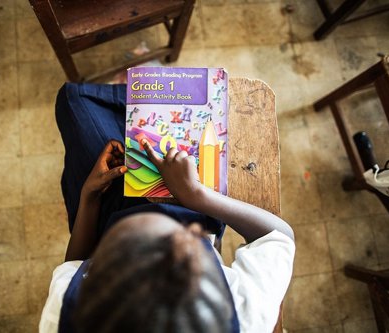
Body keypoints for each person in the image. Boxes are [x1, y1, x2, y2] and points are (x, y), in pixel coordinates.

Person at [39, 83, 296, 333]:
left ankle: (129, 97)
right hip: (193, 204)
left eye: (119, 249)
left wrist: (90, 196)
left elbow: (72, 267)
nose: (155, 217)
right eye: (185, 243)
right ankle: (133, 96)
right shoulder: (245, 319)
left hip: (102, 216)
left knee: (74, 98)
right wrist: (196, 196)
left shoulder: (64, 315)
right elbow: (277, 237)